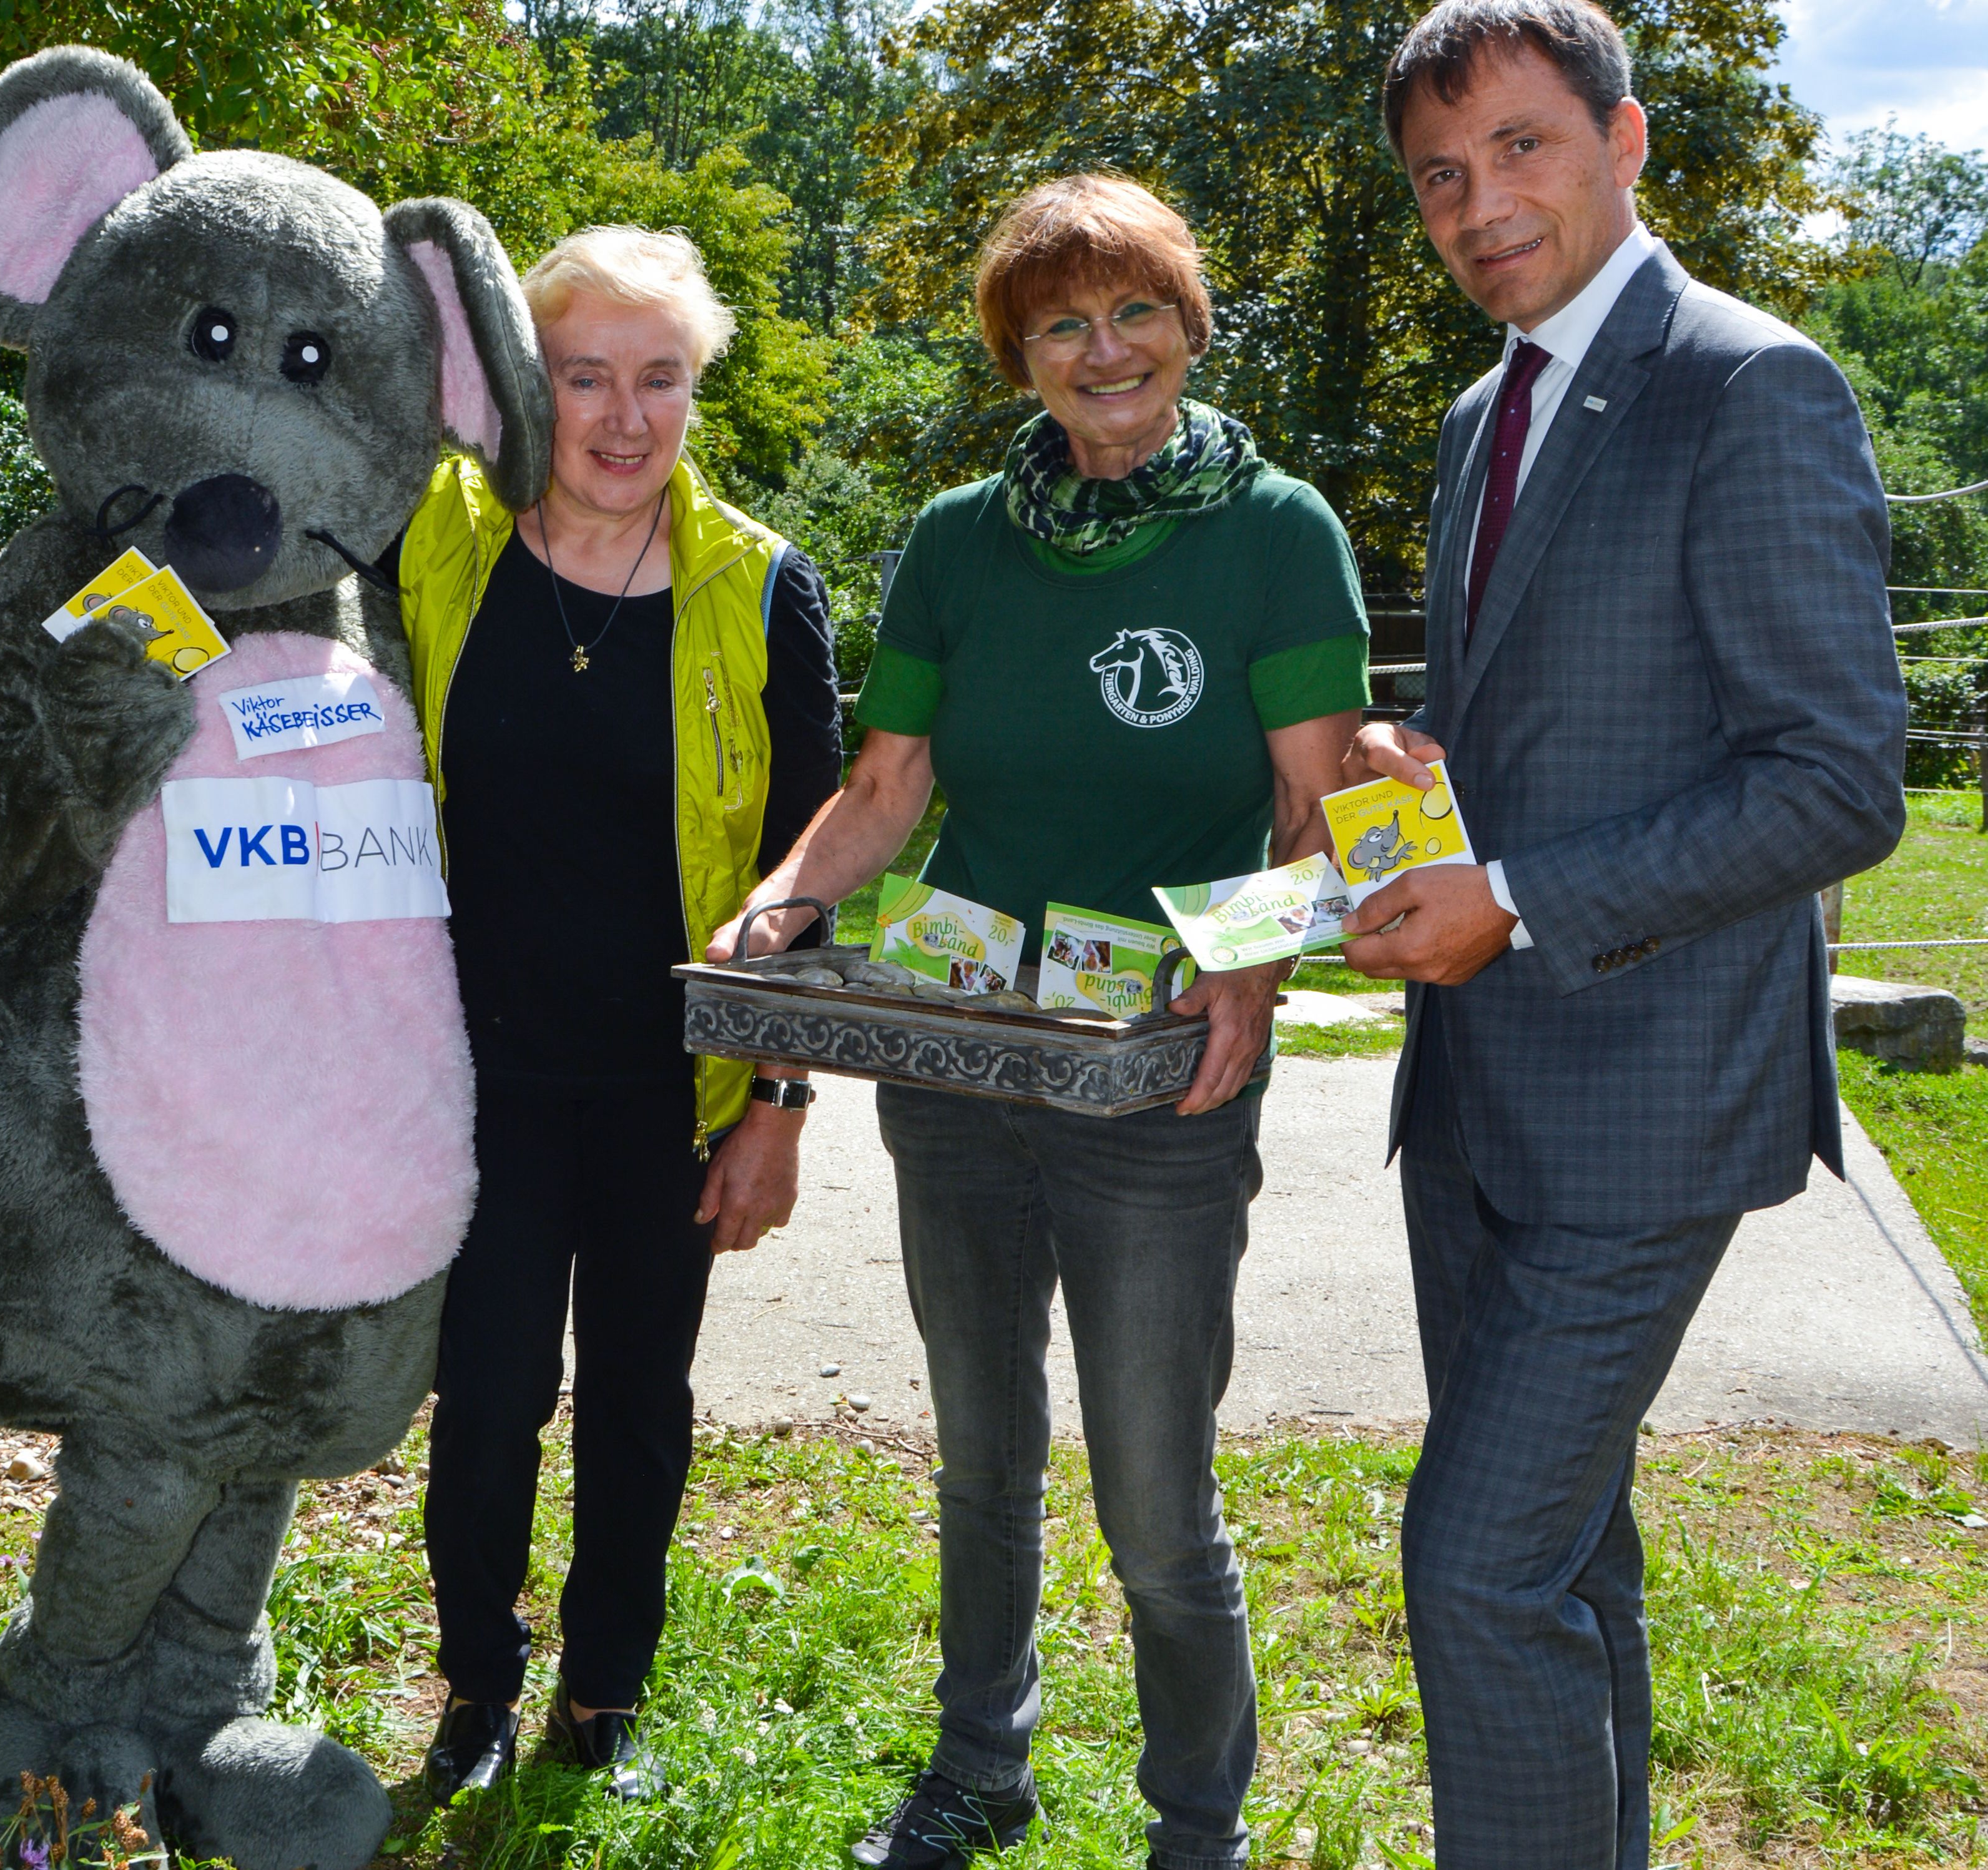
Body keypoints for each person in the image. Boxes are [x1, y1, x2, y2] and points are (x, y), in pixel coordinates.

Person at [714, 174, 1369, 1870]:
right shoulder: (954, 541)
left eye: (1133, 309)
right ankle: (974, 1769)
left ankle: (1195, 1829)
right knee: (979, 1459)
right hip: (960, 1073)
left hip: (1160, 1089)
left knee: (1157, 1507)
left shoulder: (1277, 533)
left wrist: (1246, 955)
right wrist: (788, 896)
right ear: (1019, 357)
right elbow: (886, 786)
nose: (1104, 350)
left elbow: (1322, 817)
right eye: (1060, 323)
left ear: (1188, 320)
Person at [1344, 6, 1907, 1864]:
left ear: (1624, 138)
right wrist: (1432, 775)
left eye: (1520, 146)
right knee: (1567, 1554)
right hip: (1479, 1096)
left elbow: (1835, 781)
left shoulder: (1748, 385)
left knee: (1475, 1561)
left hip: (1647, 1099)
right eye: (1442, 175)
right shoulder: (1475, 410)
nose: (1478, 203)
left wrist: (1508, 895)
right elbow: (1567, 712)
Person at [398, 225, 842, 1804]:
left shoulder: (761, 586)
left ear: (695, 391)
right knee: (492, 1393)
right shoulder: (435, 539)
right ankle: (473, 1686)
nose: (622, 416)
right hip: (477, 1081)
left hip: (674, 1089)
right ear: (532, 384)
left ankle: (603, 1691)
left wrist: (780, 1104)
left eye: (658, 377)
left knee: (637, 1403)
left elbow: (811, 867)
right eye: (583, 375)